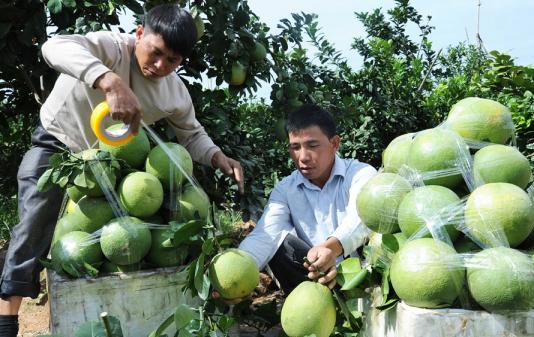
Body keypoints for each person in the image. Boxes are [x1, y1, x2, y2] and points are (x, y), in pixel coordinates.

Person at [0, 5, 244, 336]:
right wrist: (108, 79)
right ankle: (6, 322)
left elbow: (192, 134)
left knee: (142, 229)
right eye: (155, 53)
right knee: (32, 228)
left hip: (116, 170)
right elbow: (52, 47)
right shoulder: (111, 47)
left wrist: (217, 157)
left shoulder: (174, 92)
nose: (160, 66)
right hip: (58, 147)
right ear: (140, 34)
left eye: (171, 61)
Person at [217, 104, 377, 302]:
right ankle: (310, 308)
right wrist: (238, 274)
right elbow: (265, 235)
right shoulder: (286, 188)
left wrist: (332, 246)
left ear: (334, 144)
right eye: (295, 147)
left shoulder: (361, 174)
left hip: (360, 279)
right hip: (313, 279)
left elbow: (362, 217)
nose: (303, 157)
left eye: (312, 145)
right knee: (280, 245)